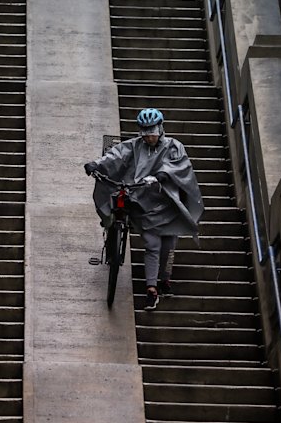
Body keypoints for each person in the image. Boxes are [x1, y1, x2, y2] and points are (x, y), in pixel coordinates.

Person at [84, 108, 203, 310]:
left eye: (152, 131)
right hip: (142, 201)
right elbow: (116, 155)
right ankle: (151, 288)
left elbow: (180, 166)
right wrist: (96, 164)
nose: (149, 137)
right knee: (152, 245)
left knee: (168, 245)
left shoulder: (174, 146)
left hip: (169, 203)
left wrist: (164, 175)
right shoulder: (135, 146)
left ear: (160, 129)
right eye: (145, 132)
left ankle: (164, 278)